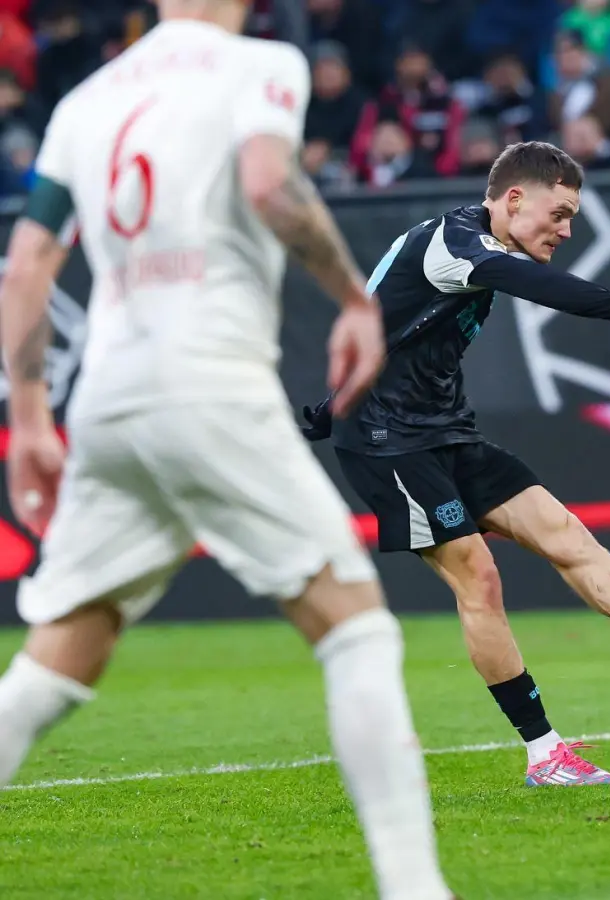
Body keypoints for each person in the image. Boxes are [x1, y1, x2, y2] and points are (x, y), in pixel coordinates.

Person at [0, 2, 454, 898]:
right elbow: (267, 183)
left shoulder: (83, 101)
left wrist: (27, 419)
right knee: (355, 622)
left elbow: (25, 265)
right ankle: (416, 889)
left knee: (65, 646)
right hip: (208, 377)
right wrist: (353, 300)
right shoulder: (260, 66)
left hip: (108, 400)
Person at [298, 141, 610, 788]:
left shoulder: (468, 247)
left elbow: (389, 321)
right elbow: (535, 285)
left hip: (441, 428)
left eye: (572, 218)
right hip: (387, 442)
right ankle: (544, 753)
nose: (567, 230)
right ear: (513, 199)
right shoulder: (456, 241)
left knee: (564, 533)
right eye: (559, 213)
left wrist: (333, 402)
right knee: (479, 576)